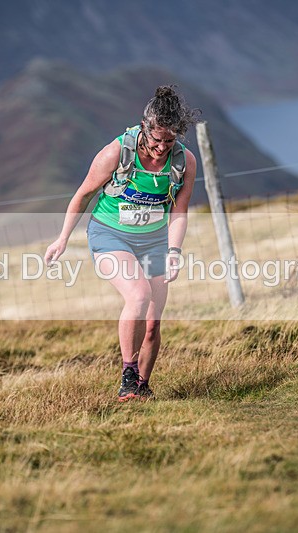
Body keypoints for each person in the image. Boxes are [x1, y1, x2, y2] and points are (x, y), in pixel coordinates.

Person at [44, 85, 200, 402]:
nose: (161, 148)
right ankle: (128, 377)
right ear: (145, 129)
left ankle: (142, 386)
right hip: (109, 234)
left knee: (153, 324)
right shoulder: (116, 152)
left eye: (169, 142)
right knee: (139, 295)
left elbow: (179, 213)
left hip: (155, 240)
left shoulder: (185, 162)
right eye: (156, 141)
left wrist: (174, 251)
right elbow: (83, 194)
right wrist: (62, 238)